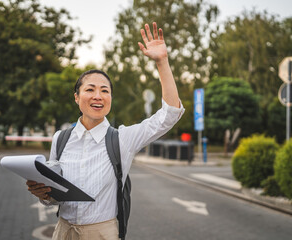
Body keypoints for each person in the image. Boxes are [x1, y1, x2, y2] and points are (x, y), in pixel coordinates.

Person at [26, 22, 185, 240]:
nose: (98, 96)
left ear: (110, 98)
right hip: (63, 231)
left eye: (105, 91)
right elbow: (55, 196)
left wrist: (162, 62)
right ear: (76, 97)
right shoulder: (60, 139)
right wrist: (42, 193)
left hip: (102, 233)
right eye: (90, 89)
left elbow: (169, 114)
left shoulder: (122, 139)